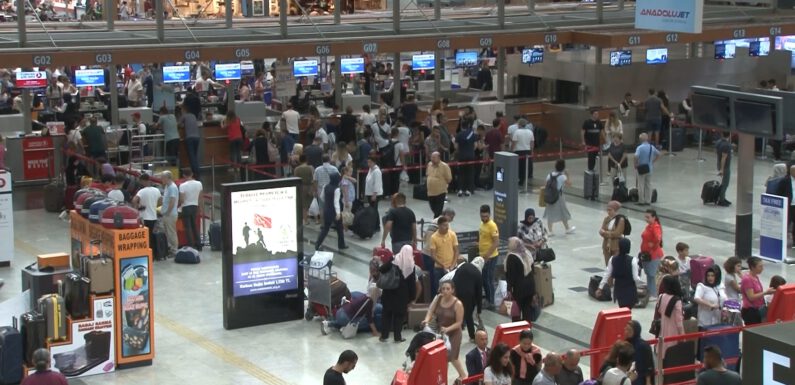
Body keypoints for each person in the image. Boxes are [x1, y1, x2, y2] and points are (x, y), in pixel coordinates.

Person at [421, 280, 467, 382]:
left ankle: (463, 376)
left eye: (448, 289)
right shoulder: (438, 298)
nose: (445, 291)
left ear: (452, 290)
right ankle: (443, 378)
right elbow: (430, 310)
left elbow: (459, 323)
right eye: (443, 289)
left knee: (452, 357)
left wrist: (447, 329)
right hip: (441, 332)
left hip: (454, 332)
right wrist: (427, 320)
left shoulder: (458, 304)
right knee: (443, 356)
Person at [379, 245, 416, 343]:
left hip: (389, 292)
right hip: (402, 295)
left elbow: (382, 269)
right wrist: (412, 297)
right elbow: (412, 283)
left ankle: (384, 336)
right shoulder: (411, 265)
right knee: (399, 316)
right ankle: (397, 337)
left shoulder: (393, 260)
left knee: (386, 314)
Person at [597, 238, 644, 308]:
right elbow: (635, 278)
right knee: (628, 310)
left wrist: (600, 287)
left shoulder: (613, 259)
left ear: (619, 247)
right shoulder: (633, 260)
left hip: (619, 289)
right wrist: (643, 284)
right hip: (630, 289)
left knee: (622, 308)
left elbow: (607, 274)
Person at [452, 256, 484, 341]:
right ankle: (472, 336)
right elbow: (479, 294)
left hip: (456, 291)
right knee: (468, 315)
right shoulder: (478, 273)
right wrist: (479, 310)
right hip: (469, 295)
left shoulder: (464, 266)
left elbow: (454, 278)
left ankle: (453, 331)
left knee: (455, 312)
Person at [505, 237, 537, 322]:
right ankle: (527, 329)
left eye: (509, 243)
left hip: (519, 288)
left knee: (516, 311)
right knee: (527, 309)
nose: (508, 245)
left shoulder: (512, 256)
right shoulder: (527, 252)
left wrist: (509, 289)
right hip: (530, 285)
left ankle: (517, 329)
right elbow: (532, 269)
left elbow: (511, 276)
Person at [314, 173, 347, 251]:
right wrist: (338, 213)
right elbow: (336, 202)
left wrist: (328, 202)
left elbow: (322, 197)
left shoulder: (326, 186)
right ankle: (341, 245)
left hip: (326, 210)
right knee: (339, 228)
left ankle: (317, 244)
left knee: (325, 229)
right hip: (334, 211)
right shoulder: (337, 189)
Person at [132, 174, 162, 258]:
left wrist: (137, 208)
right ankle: (154, 254)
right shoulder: (157, 190)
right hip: (153, 216)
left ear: (143, 181)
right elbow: (160, 202)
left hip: (144, 217)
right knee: (152, 236)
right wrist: (153, 205)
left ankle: (146, 253)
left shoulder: (141, 191)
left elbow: (134, 200)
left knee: (145, 237)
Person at [740, 256, 776, 325]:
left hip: (759, 308)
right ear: (753, 267)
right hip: (751, 311)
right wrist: (766, 292)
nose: (762, 269)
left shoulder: (756, 277)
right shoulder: (747, 279)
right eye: (760, 266)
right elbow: (751, 297)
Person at [543, 159, 575, 235]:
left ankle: (550, 231)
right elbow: (570, 184)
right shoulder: (562, 176)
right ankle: (567, 228)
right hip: (559, 197)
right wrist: (568, 175)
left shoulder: (549, 175)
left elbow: (545, 185)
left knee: (550, 212)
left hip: (549, 196)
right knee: (563, 211)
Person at [657, 275, 685, 360]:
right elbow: (679, 323)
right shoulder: (677, 301)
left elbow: (659, 311)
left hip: (663, 330)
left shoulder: (661, 297)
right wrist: (683, 337)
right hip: (673, 332)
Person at [429, 216, 459, 293]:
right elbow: (433, 255)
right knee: (439, 290)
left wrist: (452, 265)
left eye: (447, 225)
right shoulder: (434, 237)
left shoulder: (452, 234)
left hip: (452, 268)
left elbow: (456, 251)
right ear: (439, 226)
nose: (447, 227)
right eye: (444, 225)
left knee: (453, 290)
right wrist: (443, 266)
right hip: (439, 269)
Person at [479, 205, 500, 309]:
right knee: (484, 278)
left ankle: (491, 301)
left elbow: (496, 242)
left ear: (489, 215)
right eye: (482, 216)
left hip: (490, 257)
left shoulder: (492, 226)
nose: (484, 218)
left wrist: (487, 255)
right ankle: (487, 298)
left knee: (488, 279)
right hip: (483, 256)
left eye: (486, 216)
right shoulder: (482, 224)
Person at [641, 209, 664, 297]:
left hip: (653, 255)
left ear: (654, 217)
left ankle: (653, 294)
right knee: (649, 274)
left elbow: (658, 238)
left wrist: (653, 245)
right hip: (647, 254)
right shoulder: (649, 226)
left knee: (652, 275)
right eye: (645, 217)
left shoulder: (655, 226)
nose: (646, 219)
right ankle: (650, 292)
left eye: (648, 217)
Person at [178, 169, 203, 250]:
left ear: (184, 175)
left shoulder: (182, 186)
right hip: (195, 206)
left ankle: (191, 246)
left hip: (186, 207)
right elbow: (200, 197)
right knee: (194, 226)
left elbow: (181, 199)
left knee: (188, 228)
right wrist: (200, 207)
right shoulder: (199, 183)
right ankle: (199, 245)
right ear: (192, 174)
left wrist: (178, 206)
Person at [634, 133, 660, 206]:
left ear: (640, 140)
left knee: (641, 185)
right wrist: (653, 161)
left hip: (641, 168)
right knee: (648, 184)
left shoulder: (639, 148)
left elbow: (636, 156)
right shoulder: (652, 147)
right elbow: (658, 154)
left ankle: (641, 200)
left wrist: (635, 164)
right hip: (649, 168)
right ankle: (648, 200)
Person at [625, 320, 654, 385]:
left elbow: (648, 365)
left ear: (635, 331)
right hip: (628, 378)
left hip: (640, 379)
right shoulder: (625, 344)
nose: (626, 332)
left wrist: (648, 381)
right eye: (626, 329)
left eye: (629, 330)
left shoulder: (643, 345)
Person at [454, 117, 478, 197]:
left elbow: (456, 147)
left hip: (461, 156)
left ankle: (460, 189)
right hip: (471, 156)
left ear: (461, 126)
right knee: (470, 173)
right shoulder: (473, 134)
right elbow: (475, 146)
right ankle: (469, 190)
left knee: (461, 173)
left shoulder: (458, 135)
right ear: (468, 125)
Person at [599, 201, 627, 266]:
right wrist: (607, 233)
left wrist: (605, 233)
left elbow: (617, 233)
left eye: (610, 210)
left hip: (616, 246)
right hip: (606, 245)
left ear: (615, 210)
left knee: (615, 265)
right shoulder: (606, 219)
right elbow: (601, 231)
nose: (608, 212)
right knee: (608, 266)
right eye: (607, 210)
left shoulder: (620, 220)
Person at [426, 151, 452, 218]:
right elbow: (428, 174)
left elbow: (449, 178)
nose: (432, 159)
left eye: (434, 157)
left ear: (439, 158)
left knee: (437, 211)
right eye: (431, 157)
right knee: (433, 208)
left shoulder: (445, 166)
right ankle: (441, 217)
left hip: (440, 192)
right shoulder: (429, 164)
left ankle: (436, 223)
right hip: (430, 192)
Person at [160, 171, 179, 258]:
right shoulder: (167, 186)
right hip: (166, 213)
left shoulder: (172, 187)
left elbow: (172, 201)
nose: (161, 179)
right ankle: (171, 248)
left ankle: (174, 250)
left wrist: (167, 212)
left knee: (171, 232)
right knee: (167, 232)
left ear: (168, 178)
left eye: (162, 178)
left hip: (170, 214)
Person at [179, 108, 201, 179]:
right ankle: (197, 171)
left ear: (184, 110)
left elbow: (178, 124)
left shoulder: (184, 116)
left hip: (189, 138)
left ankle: (195, 172)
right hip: (197, 137)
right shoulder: (193, 115)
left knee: (192, 156)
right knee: (195, 155)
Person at [512, 119, 535, 187]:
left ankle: (519, 179)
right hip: (527, 151)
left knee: (518, 166)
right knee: (525, 166)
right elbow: (532, 143)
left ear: (519, 124)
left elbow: (514, 142)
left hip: (518, 151)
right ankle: (523, 179)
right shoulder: (530, 132)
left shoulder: (517, 132)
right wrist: (532, 151)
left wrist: (512, 150)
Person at [293, 155, 314, 225]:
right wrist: (313, 188)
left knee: (303, 205)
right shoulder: (310, 168)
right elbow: (313, 179)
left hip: (300, 187)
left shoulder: (297, 169)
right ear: (306, 160)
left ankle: (305, 219)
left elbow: (295, 179)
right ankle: (308, 218)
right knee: (309, 203)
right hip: (309, 187)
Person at [715, 131, 732, 206]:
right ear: (729, 135)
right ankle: (721, 199)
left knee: (724, 183)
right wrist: (722, 169)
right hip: (725, 166)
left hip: (719, 163)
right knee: (725, 183)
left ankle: (723, 197)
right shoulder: (727, 145)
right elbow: (724, 158)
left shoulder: (718, 142)